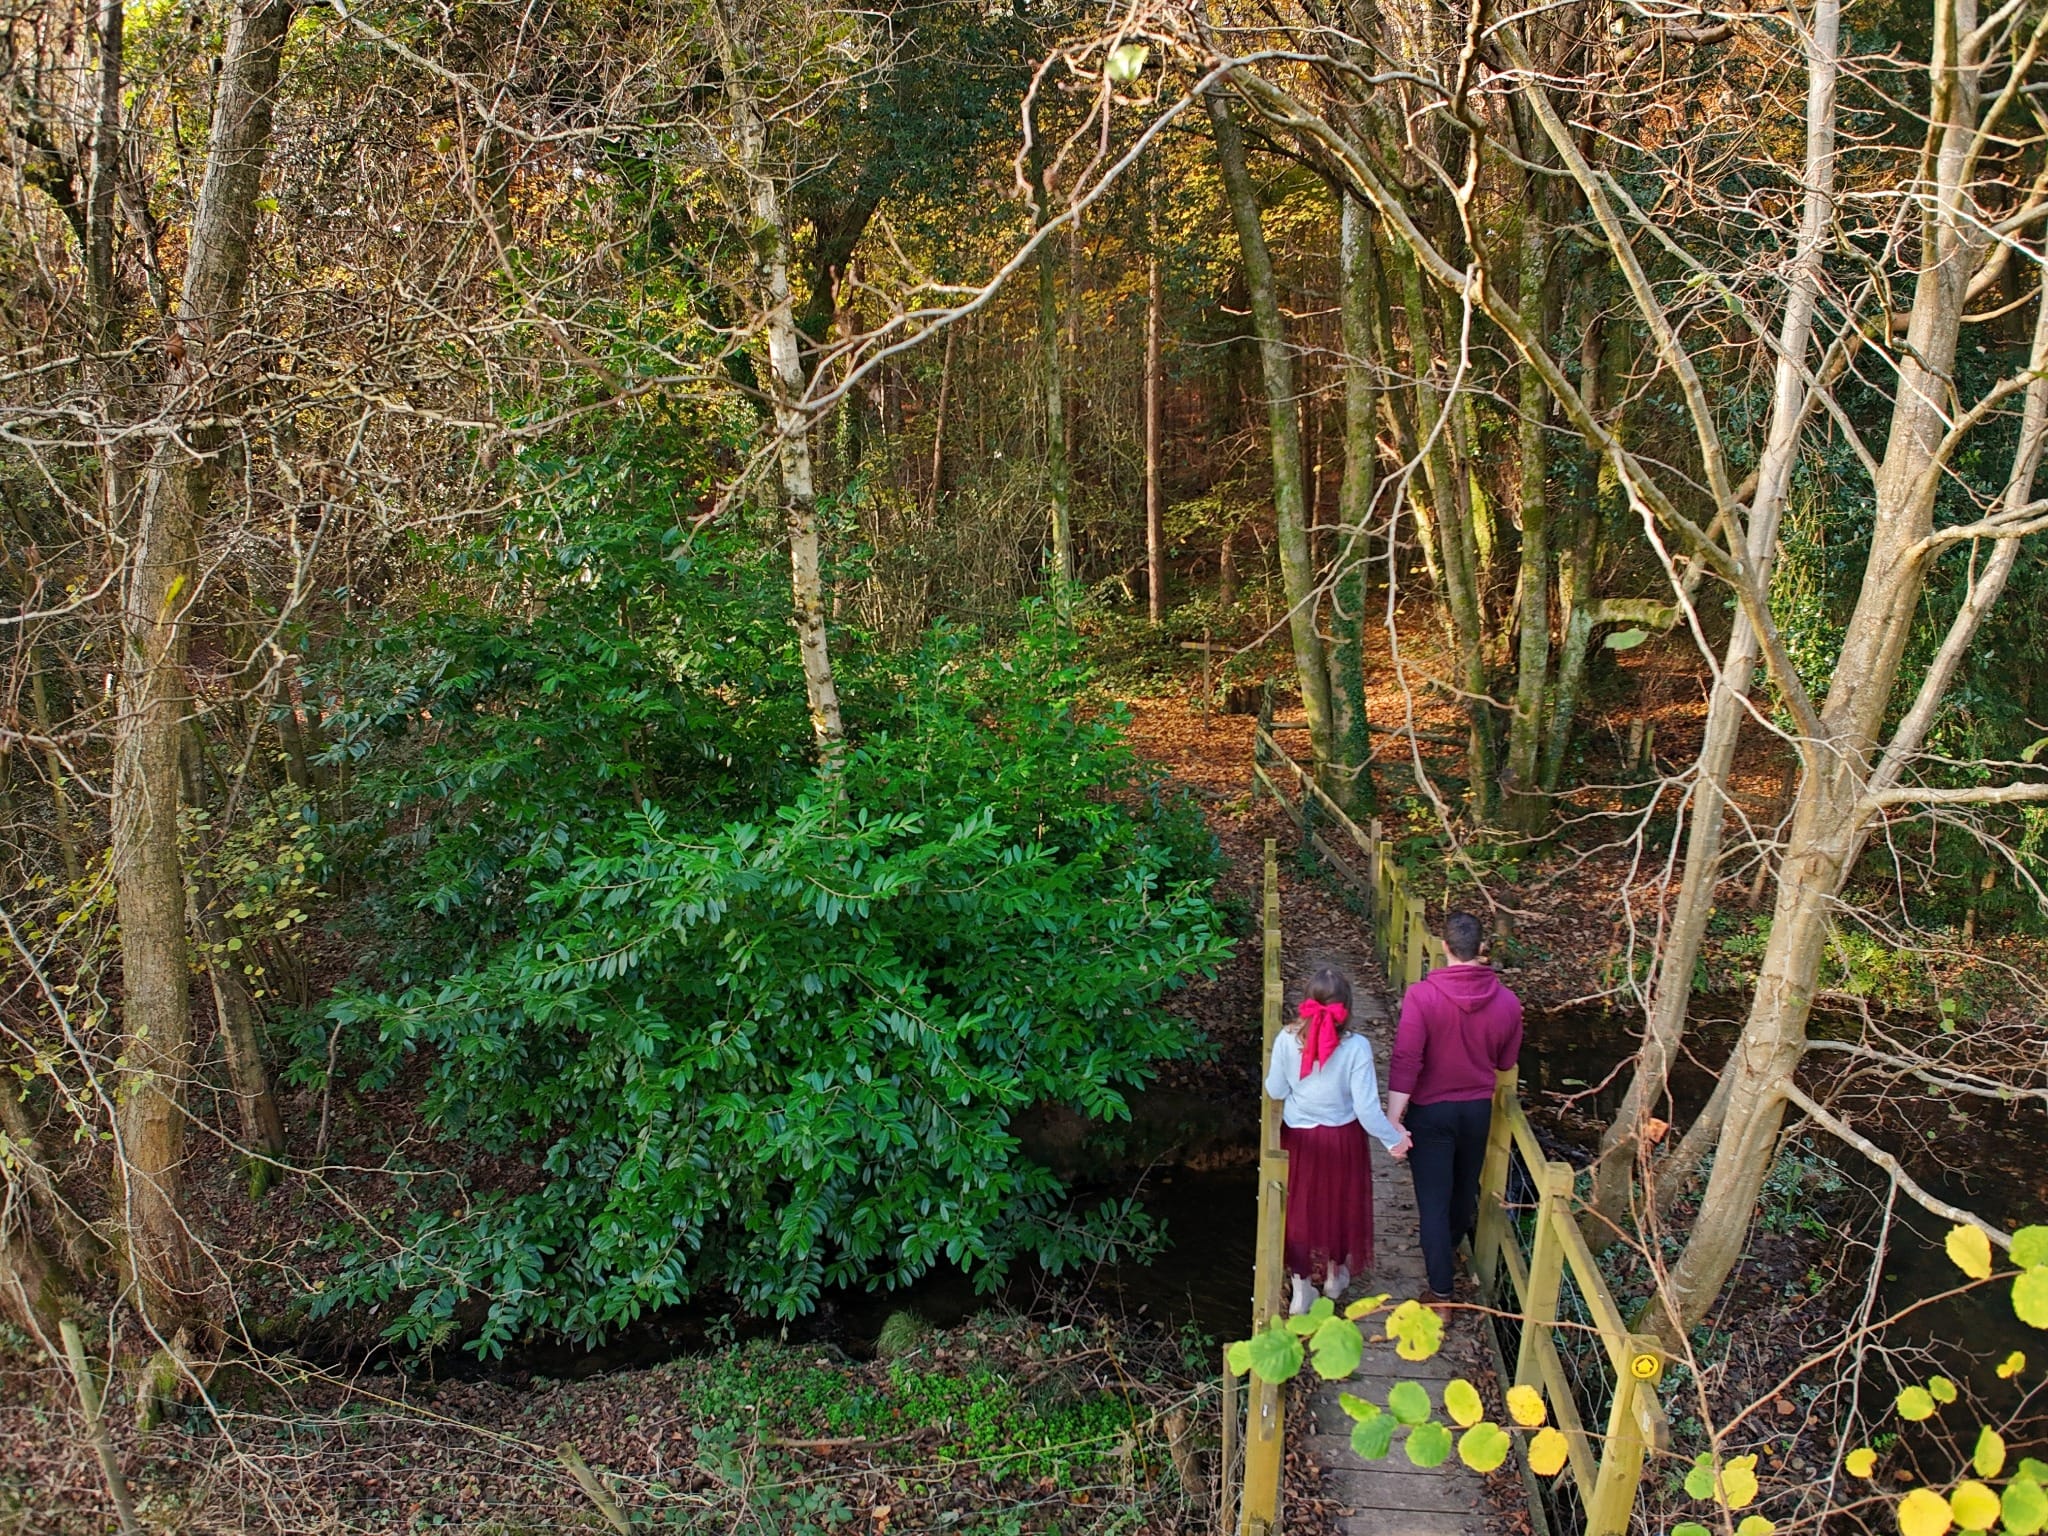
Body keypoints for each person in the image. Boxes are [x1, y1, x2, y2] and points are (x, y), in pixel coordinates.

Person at [1387, 911, 1524, 1304]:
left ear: (1443, 946)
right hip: (1477, 1110)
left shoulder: (1422, 995)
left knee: (1432, 1200)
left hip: (1431, 1112)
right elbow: (1506, 1062)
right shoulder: (1508, 1002)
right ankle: (1445, 1254)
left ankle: (1442, 1291)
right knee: (1463, 1192)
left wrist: (1394, 1117)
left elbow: (1407, 1057)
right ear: (1481, 949)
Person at [1265, 965, 1412, 1316]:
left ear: (1307, 1002)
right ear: (1347, 1008)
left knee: (1302, 1208)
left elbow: (1274, 1089)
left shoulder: (1286, 1039)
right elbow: (1366, 1109)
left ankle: (1301, 1289)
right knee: (1340, 1204)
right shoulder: (1357, 1047)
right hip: (1342, 1139)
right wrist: (1394, 1141)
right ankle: (1334, 1276)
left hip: (1298, 1139)